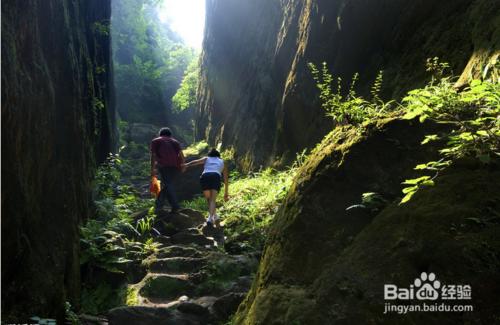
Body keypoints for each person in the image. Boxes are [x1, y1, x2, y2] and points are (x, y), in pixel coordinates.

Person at [183, 148, 229, 225]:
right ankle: (211, 217)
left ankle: (214, 216)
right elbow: (226, 179)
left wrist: (186, 165)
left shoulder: (207, 158)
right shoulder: (222, 162)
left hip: (205, 176)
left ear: (210, 155)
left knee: (209, 199)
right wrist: (226, 193)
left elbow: (196, 162)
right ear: (218, 155)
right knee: (212, 199)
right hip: (215, 176)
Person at [150, 127, 185, 213]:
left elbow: (153, 155)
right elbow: (181, 155)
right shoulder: (175, 141)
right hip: (175, 166)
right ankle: (165, 205)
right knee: (168, 185)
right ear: (170, 135)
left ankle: (173, 205)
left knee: (167, 184)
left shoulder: (156, 141)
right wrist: (183, 165)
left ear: (160, 134)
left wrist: (152, 168)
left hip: (163, 165)